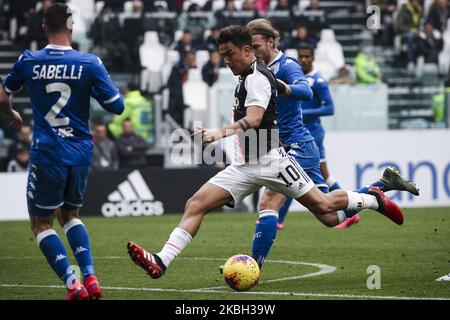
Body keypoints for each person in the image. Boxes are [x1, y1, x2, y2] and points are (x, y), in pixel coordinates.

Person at [126, 25, 405, 280]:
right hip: (245, 164)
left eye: (229, 54)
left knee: (325, 208)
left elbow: (256, 118)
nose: (225, 60)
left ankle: (373, 199)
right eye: (222, 55)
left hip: (274, 162)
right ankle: (161, 260)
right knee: (195, 204)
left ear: (249, 50)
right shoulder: (246, 75)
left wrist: (218, 132)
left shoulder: (259, 77)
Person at [245, 19, 418, 267]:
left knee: (269, 199)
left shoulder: (287, 65)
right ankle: (378, 189)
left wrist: (281, 87)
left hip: (297, 146)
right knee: (330, 217)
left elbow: (306, 92)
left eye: (256, 46)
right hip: (284, 146)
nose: (253, 52)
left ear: (271, 42)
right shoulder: (257, 70)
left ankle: (253, 266)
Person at [2, 3, 124, 300]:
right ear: (71, 25)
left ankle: (72, 283)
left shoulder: (29, 60)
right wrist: (91, 88)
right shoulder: (90, 62)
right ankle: (91, 276)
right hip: (81, 151)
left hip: (48, 152)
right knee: (70, 215)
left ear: (44, 27)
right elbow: (117, 107)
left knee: (41, 223)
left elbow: (2, 95)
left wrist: (11, 114)